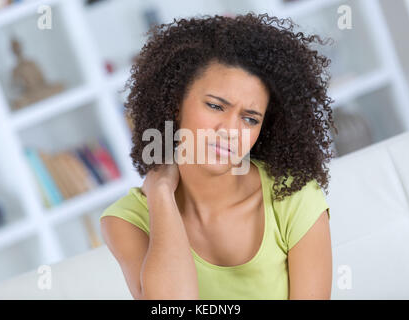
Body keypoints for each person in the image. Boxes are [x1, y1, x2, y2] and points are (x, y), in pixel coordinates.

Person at [100, 12, 337, 300]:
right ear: (175, 103)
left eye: (250, 119)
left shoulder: (293, 198)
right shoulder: (127, 221)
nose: (230, 131)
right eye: (215, 106)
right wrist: (160, 194)